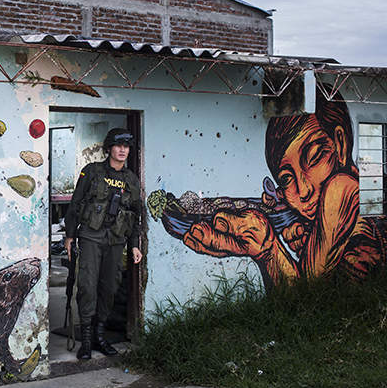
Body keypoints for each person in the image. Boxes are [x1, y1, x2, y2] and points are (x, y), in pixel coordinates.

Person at [183, 85, 383, 288]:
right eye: (287, 179)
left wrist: (270, 249)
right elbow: (306, 310)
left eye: (313, 158)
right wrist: (268, 251)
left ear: (340, 144)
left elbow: (306, 292)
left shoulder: (341, 189)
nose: (303, 192)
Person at [64, 128, 143, 360]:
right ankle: (86, 340)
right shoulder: (91, 171)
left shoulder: (131, 179)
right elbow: (75, 205)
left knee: (109, 288)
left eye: (126, 147)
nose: (122, 150)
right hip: (90, 237)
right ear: (109, 148)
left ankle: (100, 336)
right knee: (87, 286)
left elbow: (136, 214)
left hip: (116, 241)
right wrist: (70, 236)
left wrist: (135, 244)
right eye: (118, 146)